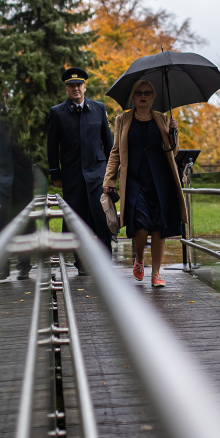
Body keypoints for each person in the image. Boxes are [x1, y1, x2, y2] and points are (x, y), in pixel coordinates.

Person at [103, 79, 188, 287]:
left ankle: (156, 273)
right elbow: (115, 152)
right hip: (133, 180)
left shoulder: (162, 119)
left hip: (160, 180)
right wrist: (109, 179)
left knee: (159, 226)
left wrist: (173, 133)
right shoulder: (123, 120)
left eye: (148, 93)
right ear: (133, 96)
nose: (143, 96)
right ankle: (139, 258)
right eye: (139, 92)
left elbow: (172, 152)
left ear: (153, 97)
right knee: (139, 224)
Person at [47, 67, 114, 275]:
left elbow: (108, 143)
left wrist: (111, 173)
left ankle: (105, 263)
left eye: (79, 85)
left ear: (85, 87)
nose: (75, 89)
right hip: (72, 175)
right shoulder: (57, 112)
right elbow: (52, 146)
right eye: (71, 86)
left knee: (102, 219)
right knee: (77, 219)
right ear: (66, 89)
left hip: (98, 173)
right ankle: (82, 264)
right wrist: (55, 173)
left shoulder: (98, 108)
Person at [0, 103, 34, 280]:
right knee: (0, 220)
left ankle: (24, 265)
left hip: (23, 176)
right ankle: (1, 266)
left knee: (26, 221)